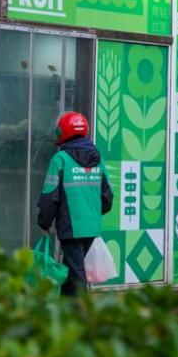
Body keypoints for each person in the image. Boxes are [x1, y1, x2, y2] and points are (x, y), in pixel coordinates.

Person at [37, 111, 113, 296]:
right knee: (72, 269)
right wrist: (91, 214)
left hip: (71, 227)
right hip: (91, 226)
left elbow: (49, 196)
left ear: (62, 132)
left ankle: (80, 308)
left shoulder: (60, 160)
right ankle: (66, 304)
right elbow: (107, 197)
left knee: (76, 274)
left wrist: (44, 222)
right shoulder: (98, 159)